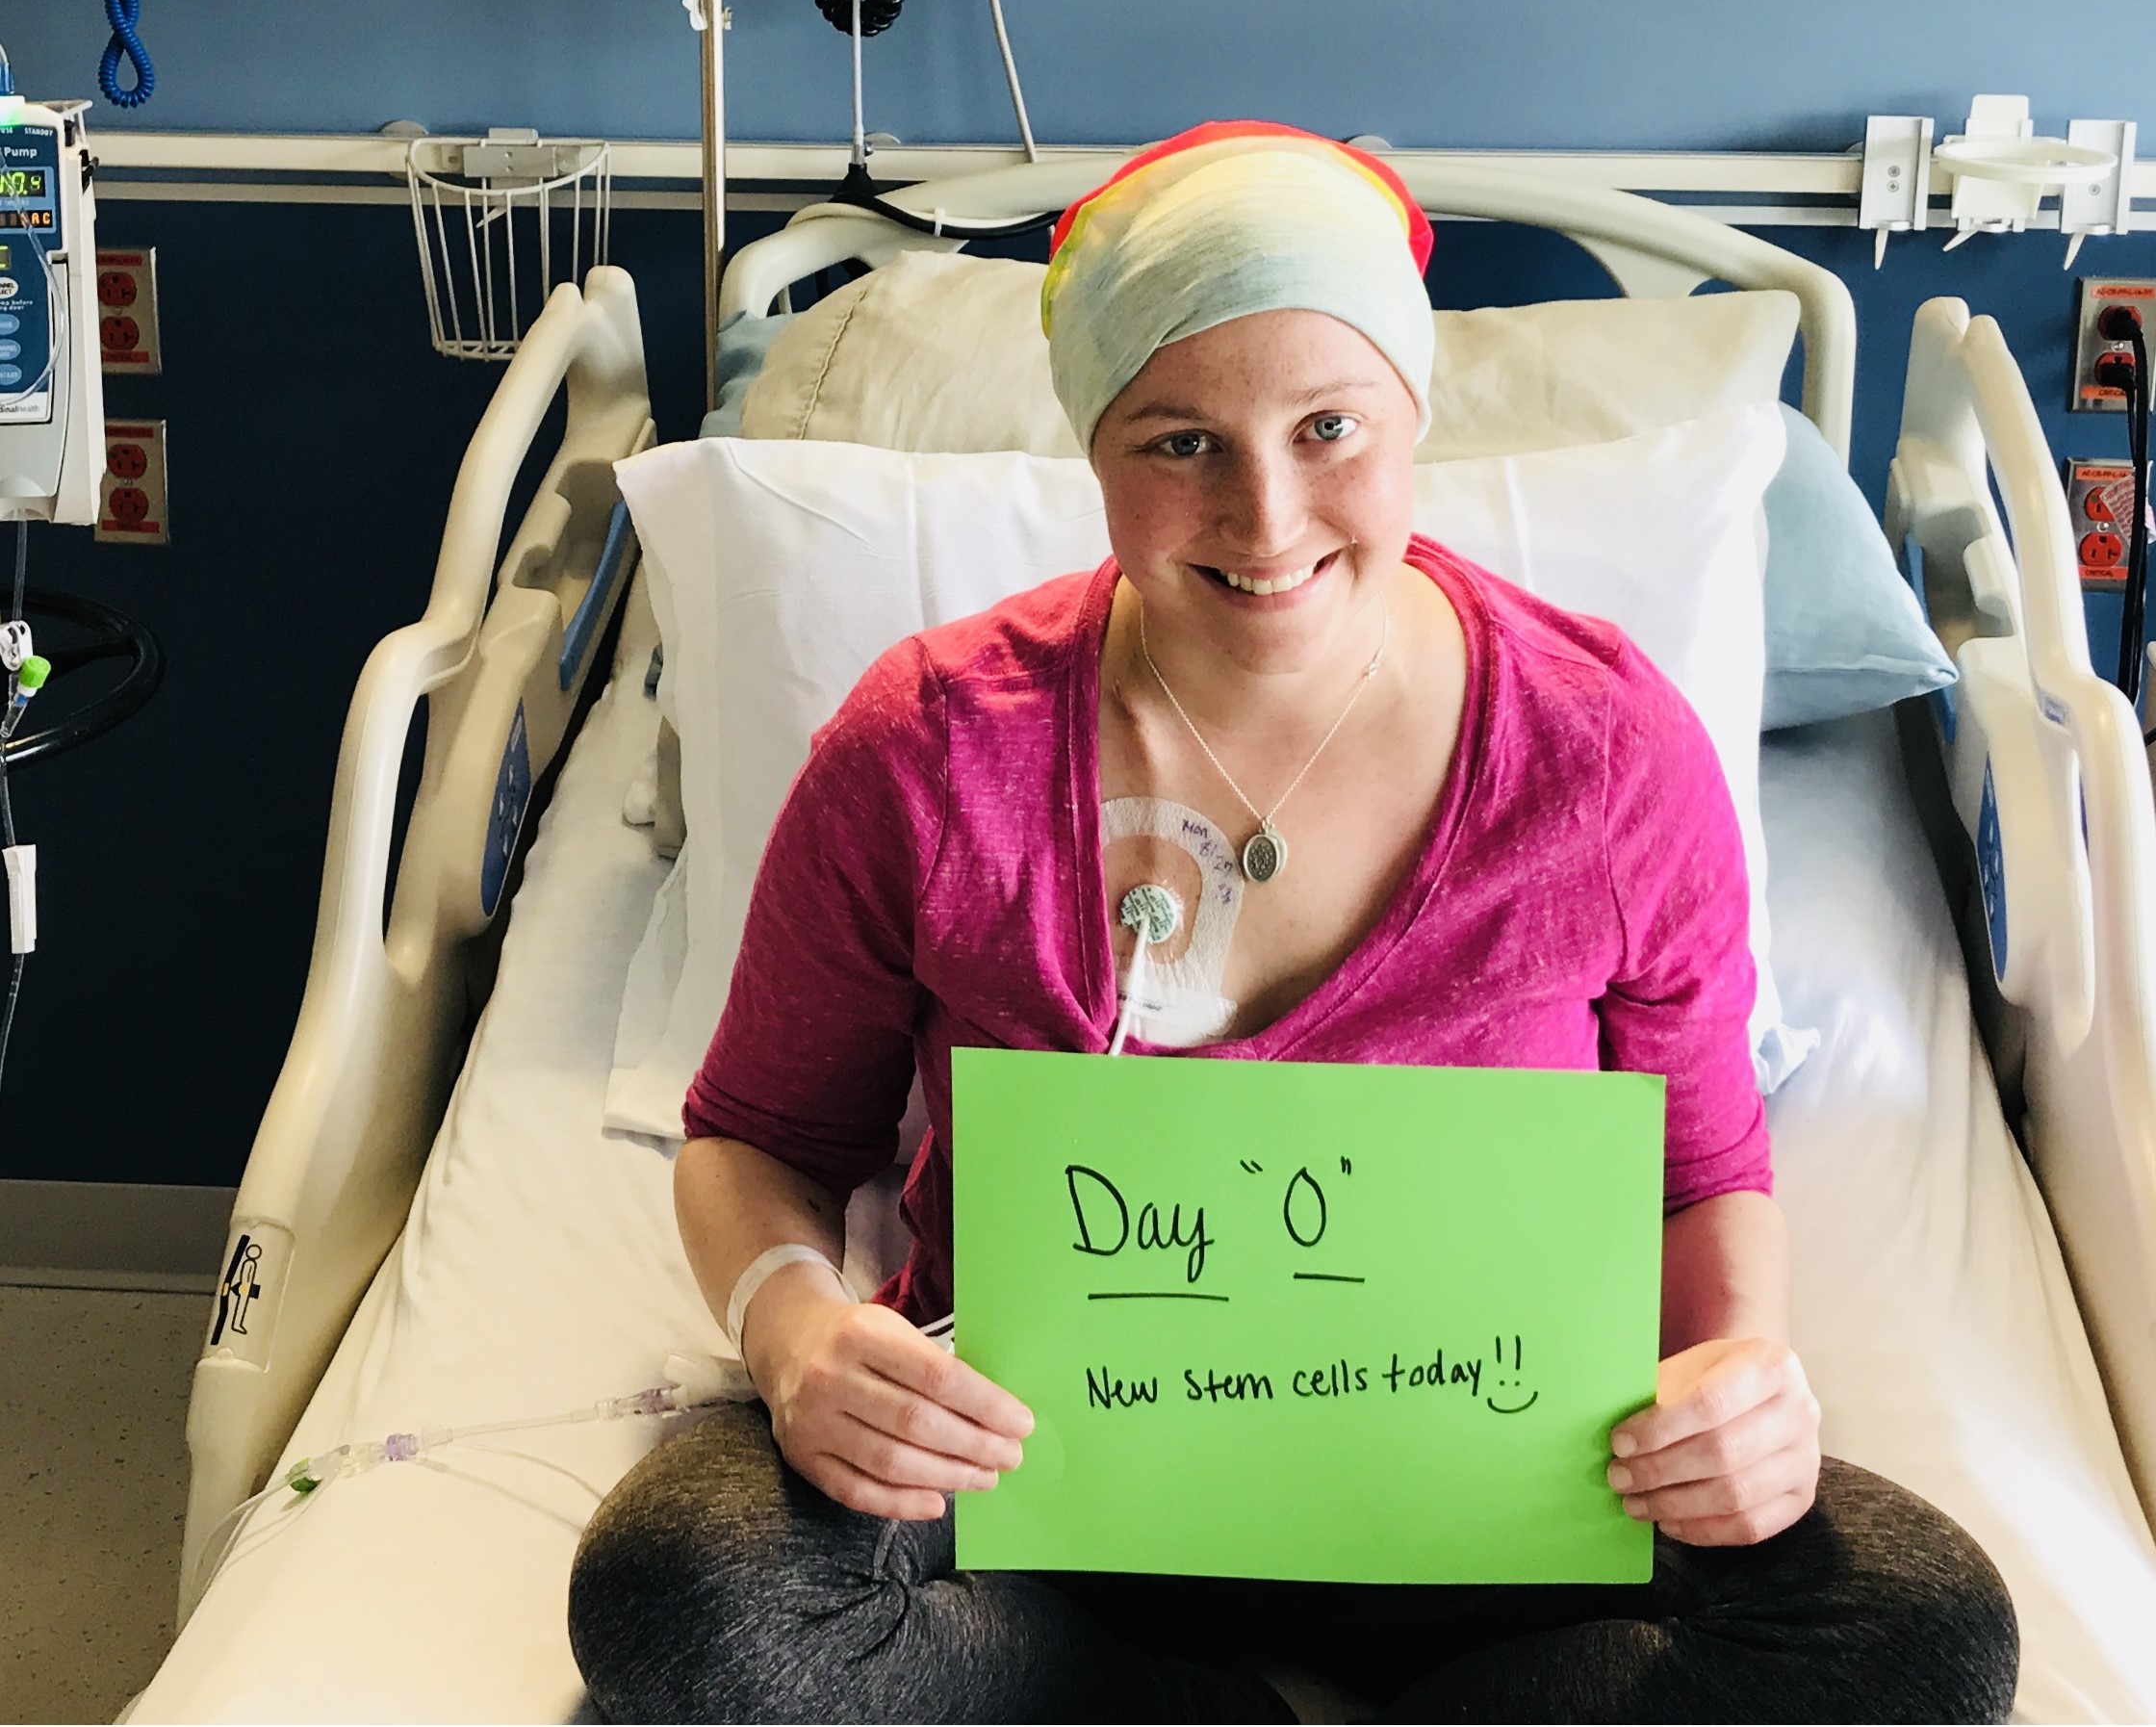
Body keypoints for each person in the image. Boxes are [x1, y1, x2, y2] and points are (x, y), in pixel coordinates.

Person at [569, 123, 2017, 1722]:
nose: (1264, 520)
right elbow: (753, 1134)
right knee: (683, 1594)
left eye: (1327, 427)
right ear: (1093, 445)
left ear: (1412, 416)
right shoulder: (928, 749)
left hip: (1497, 1512)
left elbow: (1700, 1179)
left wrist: (1738, 1375)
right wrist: (794, 1337)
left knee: (1922, 1634)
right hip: (1034, 1508)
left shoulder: (1600, 752)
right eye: (1178, 442)